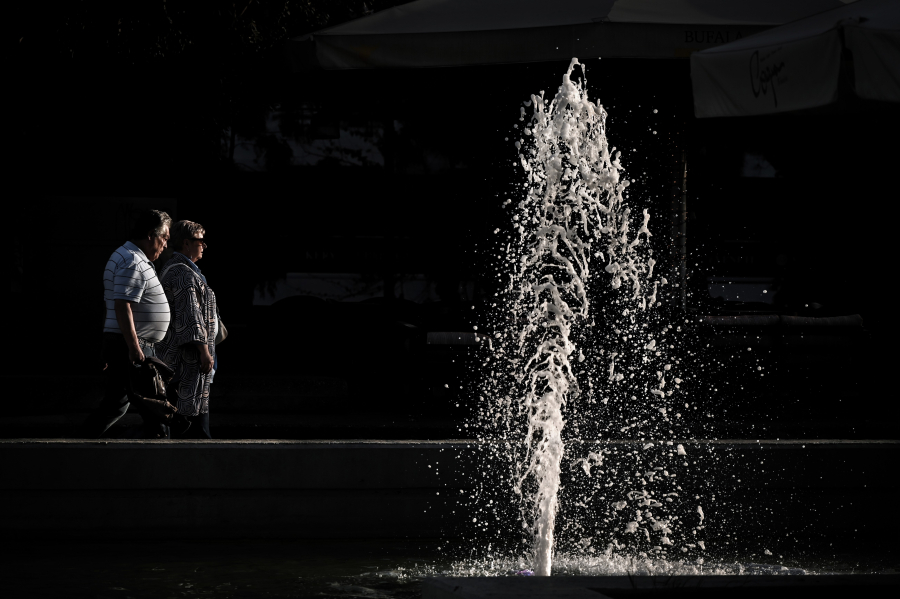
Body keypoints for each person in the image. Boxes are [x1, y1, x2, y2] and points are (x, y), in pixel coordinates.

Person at [82, 209, 174, 438]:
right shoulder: (132, 260)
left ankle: (77, 444)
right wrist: (134, 347)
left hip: (127, 343)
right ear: (151, 235)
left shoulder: (131, 256)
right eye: (164, 238)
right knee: (154, 408)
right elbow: (122, 305)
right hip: (133, 346)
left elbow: (114, 304)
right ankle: (163, 450)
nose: (165, 245)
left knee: (116, 404)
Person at [157, 220, 218, 439]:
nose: (204, 245)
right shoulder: (183, 274)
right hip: (186, 363)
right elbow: (190, 317)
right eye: (200, 240)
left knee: (188, 424)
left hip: (183, 362)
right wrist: (204, 352)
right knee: (192, 424)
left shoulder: (181, 270)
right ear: (186, 243)